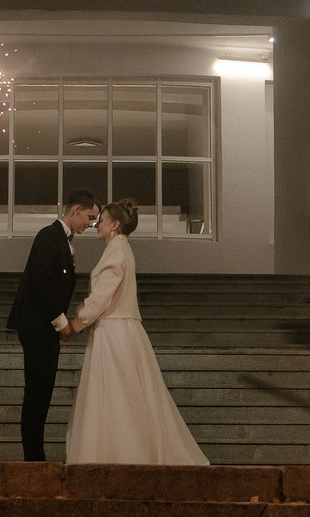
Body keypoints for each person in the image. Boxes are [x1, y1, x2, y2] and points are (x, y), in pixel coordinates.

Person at [61, 198, 208, 466]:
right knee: (129, 397)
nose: (96, 225)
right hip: (122, 329)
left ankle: (116, 455)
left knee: (114, 397)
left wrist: (77, 322)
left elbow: (103, 296)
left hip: (114, 333)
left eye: (102, 220)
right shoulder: (121, 249)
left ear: (115, 225)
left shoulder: (116, 252)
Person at [8, 190, 99, 462]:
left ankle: (35, 456)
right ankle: (33, 459)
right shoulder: (49, 236)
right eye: (90, 217)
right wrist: (61, 324)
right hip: (38, 328)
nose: (91, 224)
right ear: (76, 210)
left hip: (41, 328)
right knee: (37, 393)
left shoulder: (59, 239)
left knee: (41, 393)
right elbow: (39, 284)